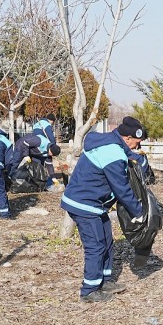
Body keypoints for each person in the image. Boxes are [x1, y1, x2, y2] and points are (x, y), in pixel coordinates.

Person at [60, 116, 145, 303]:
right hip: (85, 204)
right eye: (136, 144)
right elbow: (121, 187)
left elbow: (126, 155)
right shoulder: (112, 153)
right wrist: (137, 212)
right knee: (95, 246)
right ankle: (89, 290)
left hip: (94, 204)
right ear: (128, 138)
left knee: (107, 240)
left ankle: (104, 280)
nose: (136, 147)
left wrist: (137, 159)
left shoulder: (112, 143)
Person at [33, 113, 59, 187]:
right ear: (51, 120)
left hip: (36, 147)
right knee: (48, 162)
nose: (52, 124)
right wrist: (54, 147)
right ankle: (52, 179)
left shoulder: (36, 124)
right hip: (45, 146)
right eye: (53, 122)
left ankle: (37, 182)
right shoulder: (47, 125)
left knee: (37, 164)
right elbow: (51, 137)